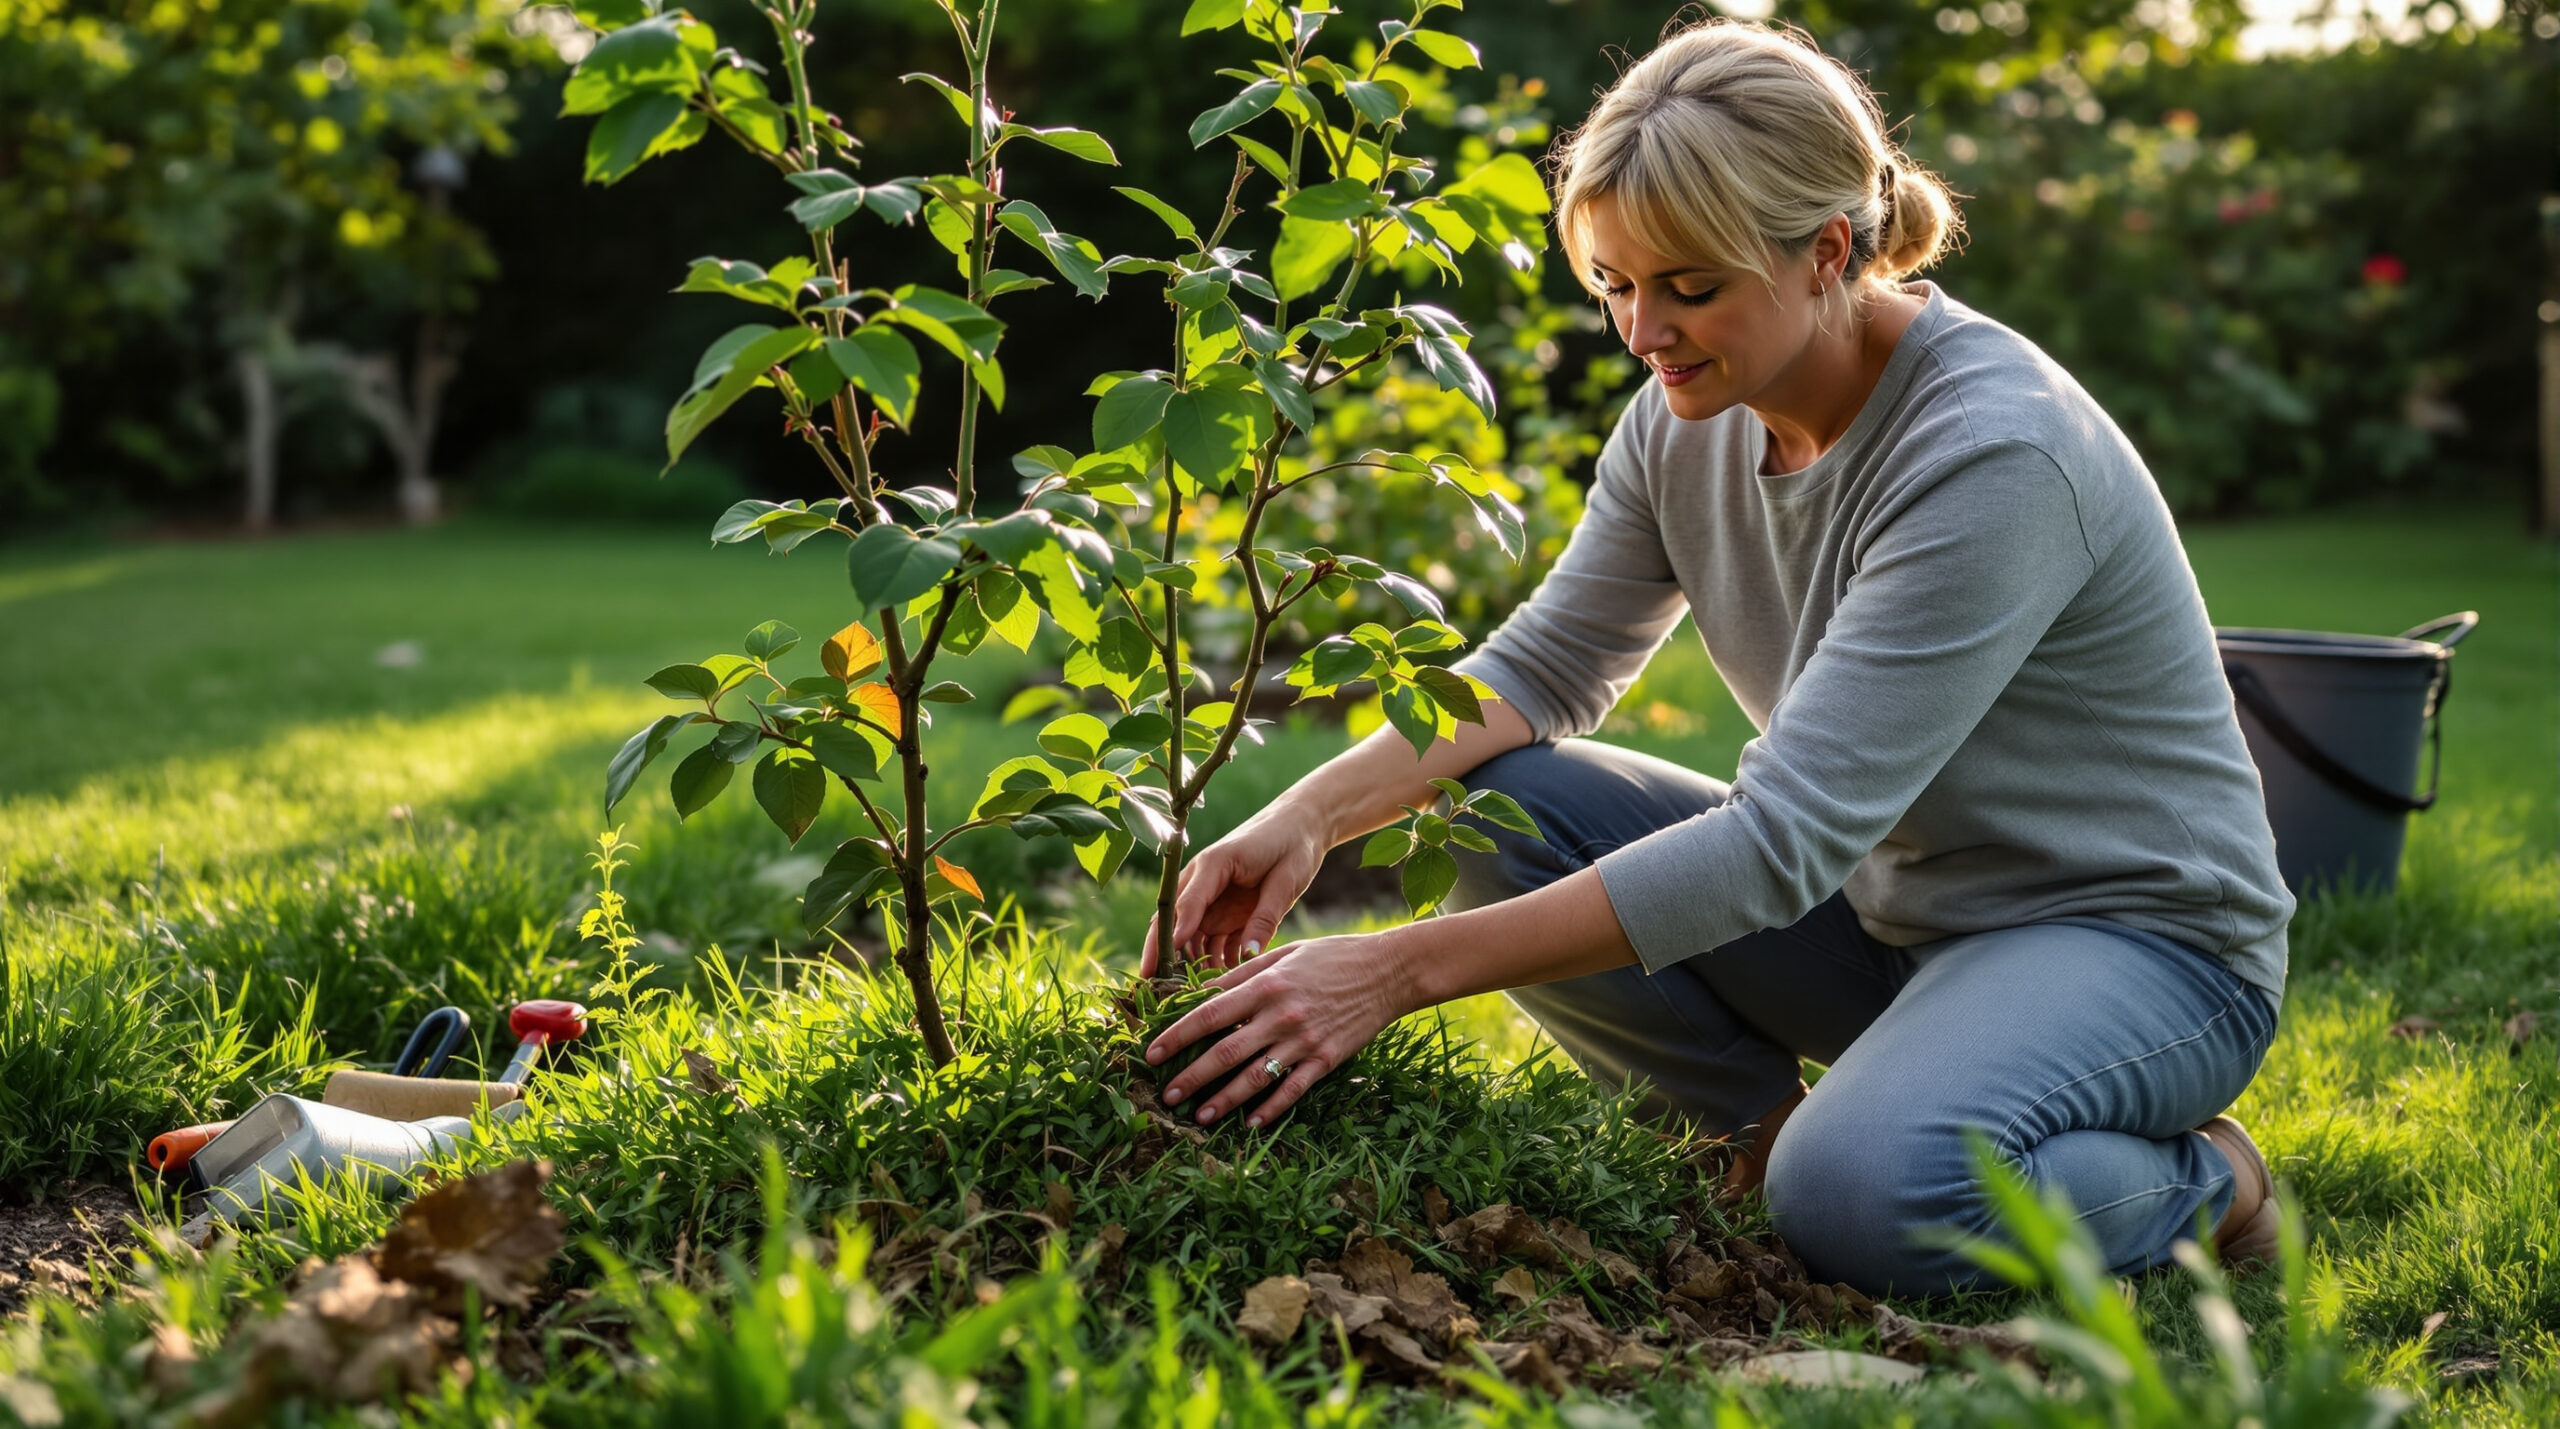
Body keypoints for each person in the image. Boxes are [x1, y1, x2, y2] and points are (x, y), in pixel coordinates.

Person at [1138, 18, 2294, 1295]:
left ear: (1827, 253)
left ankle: (2205, 1183)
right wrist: (1308, 816)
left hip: (2135, 947)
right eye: (1616, 286)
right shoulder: (1680, 422)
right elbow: (1542, 669)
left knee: (1865, 1197)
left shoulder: (1991, 456)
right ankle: (1751, 1145)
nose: (1645, 331)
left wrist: (1388, 972)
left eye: (1689, 288)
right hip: (1891, 920)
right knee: (1490, 807)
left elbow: (1775, 842)